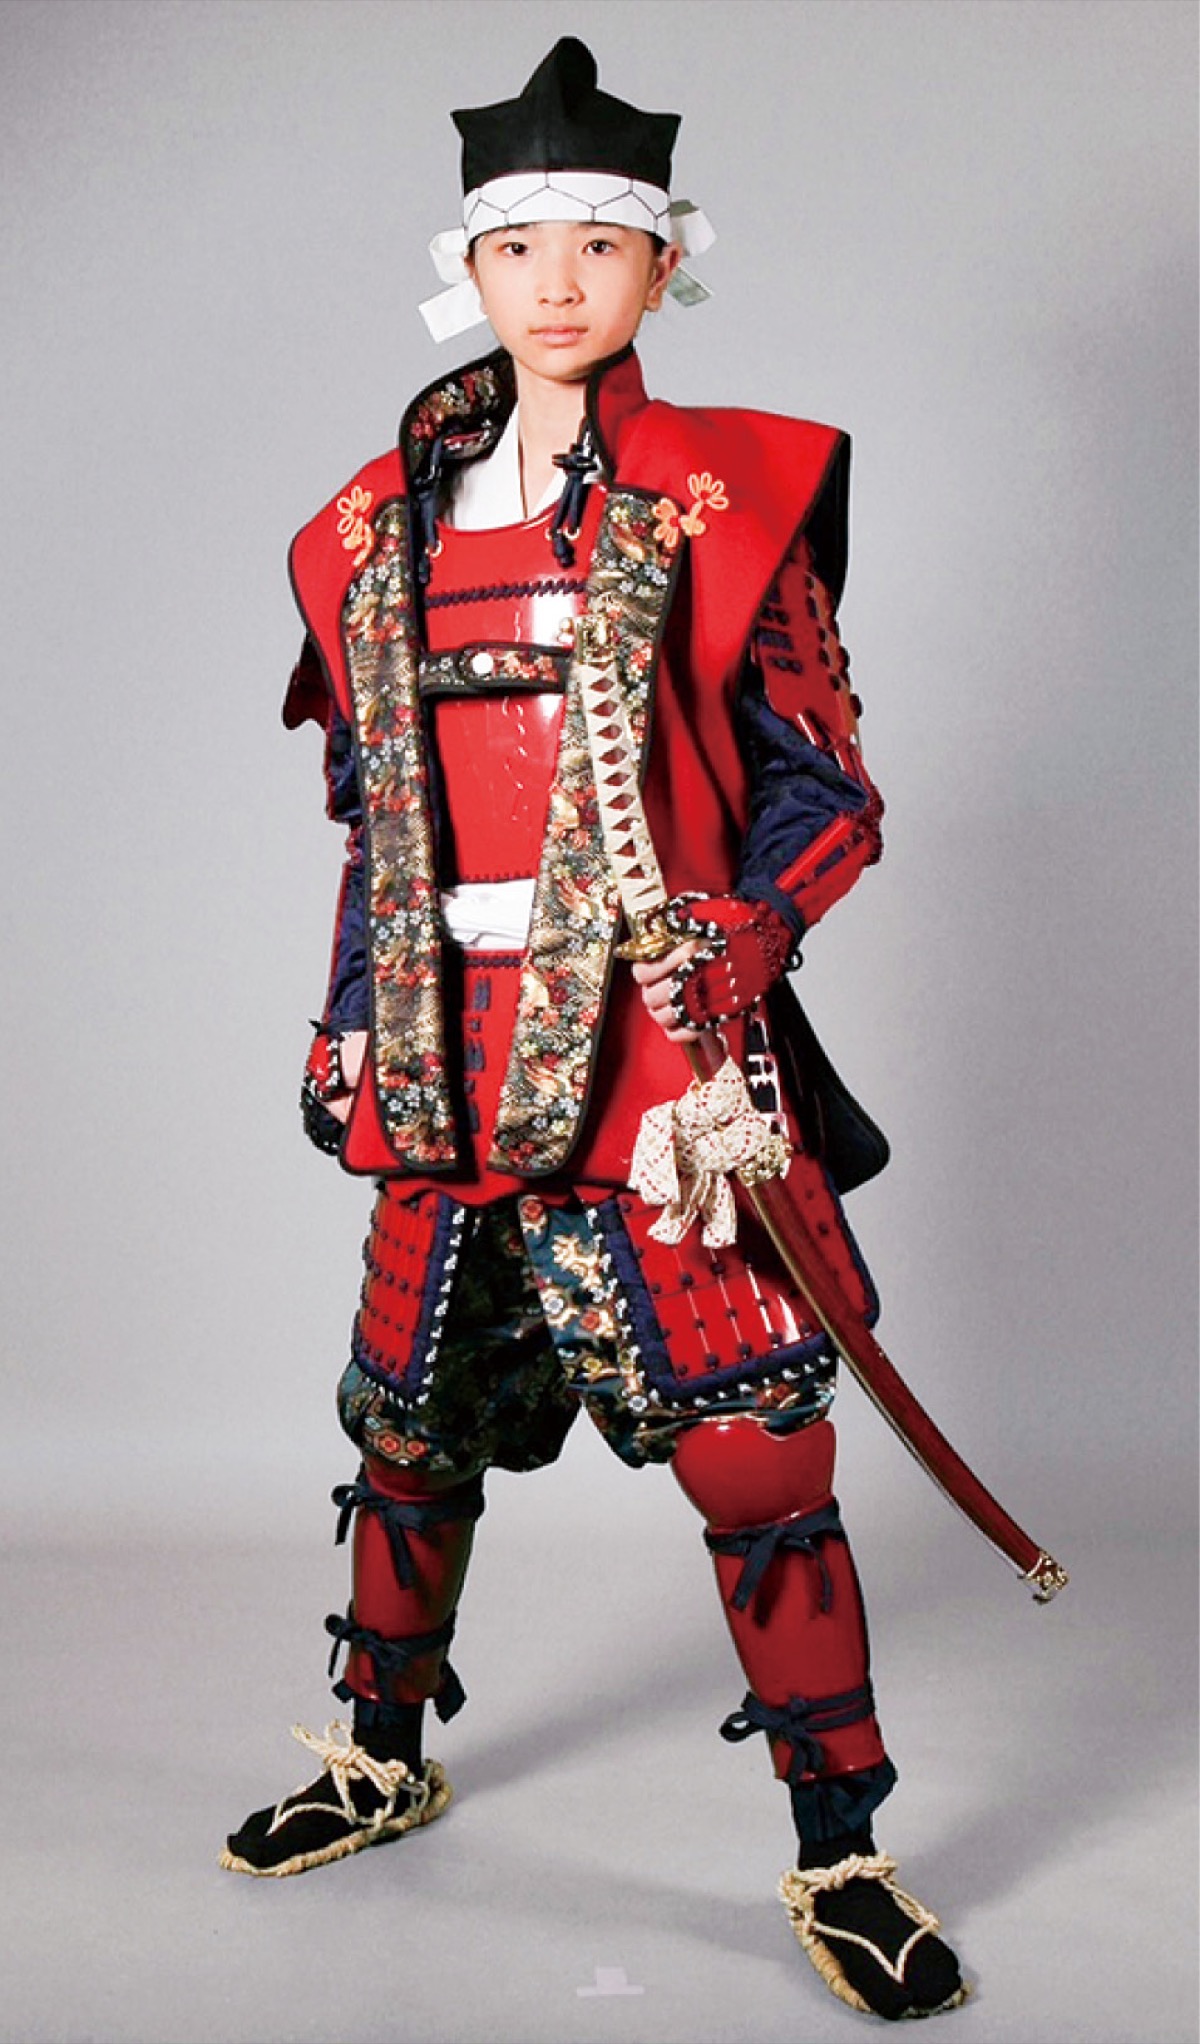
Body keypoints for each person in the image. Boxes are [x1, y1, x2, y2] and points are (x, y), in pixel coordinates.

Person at [220, 38, 966, 2023]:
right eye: (519, 246)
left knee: (760, 1462)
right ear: (468, 265)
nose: (556, 283)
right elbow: (377, 819)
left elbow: (829, 794)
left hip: (660, 1069)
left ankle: (845, 1852)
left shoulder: (735, 496)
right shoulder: (369, 529)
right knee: (405, 1431)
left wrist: (745, 929)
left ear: (664, 264)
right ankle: (378, 1753)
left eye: (600, 246)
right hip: (442, 1052)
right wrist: (345, 1017)